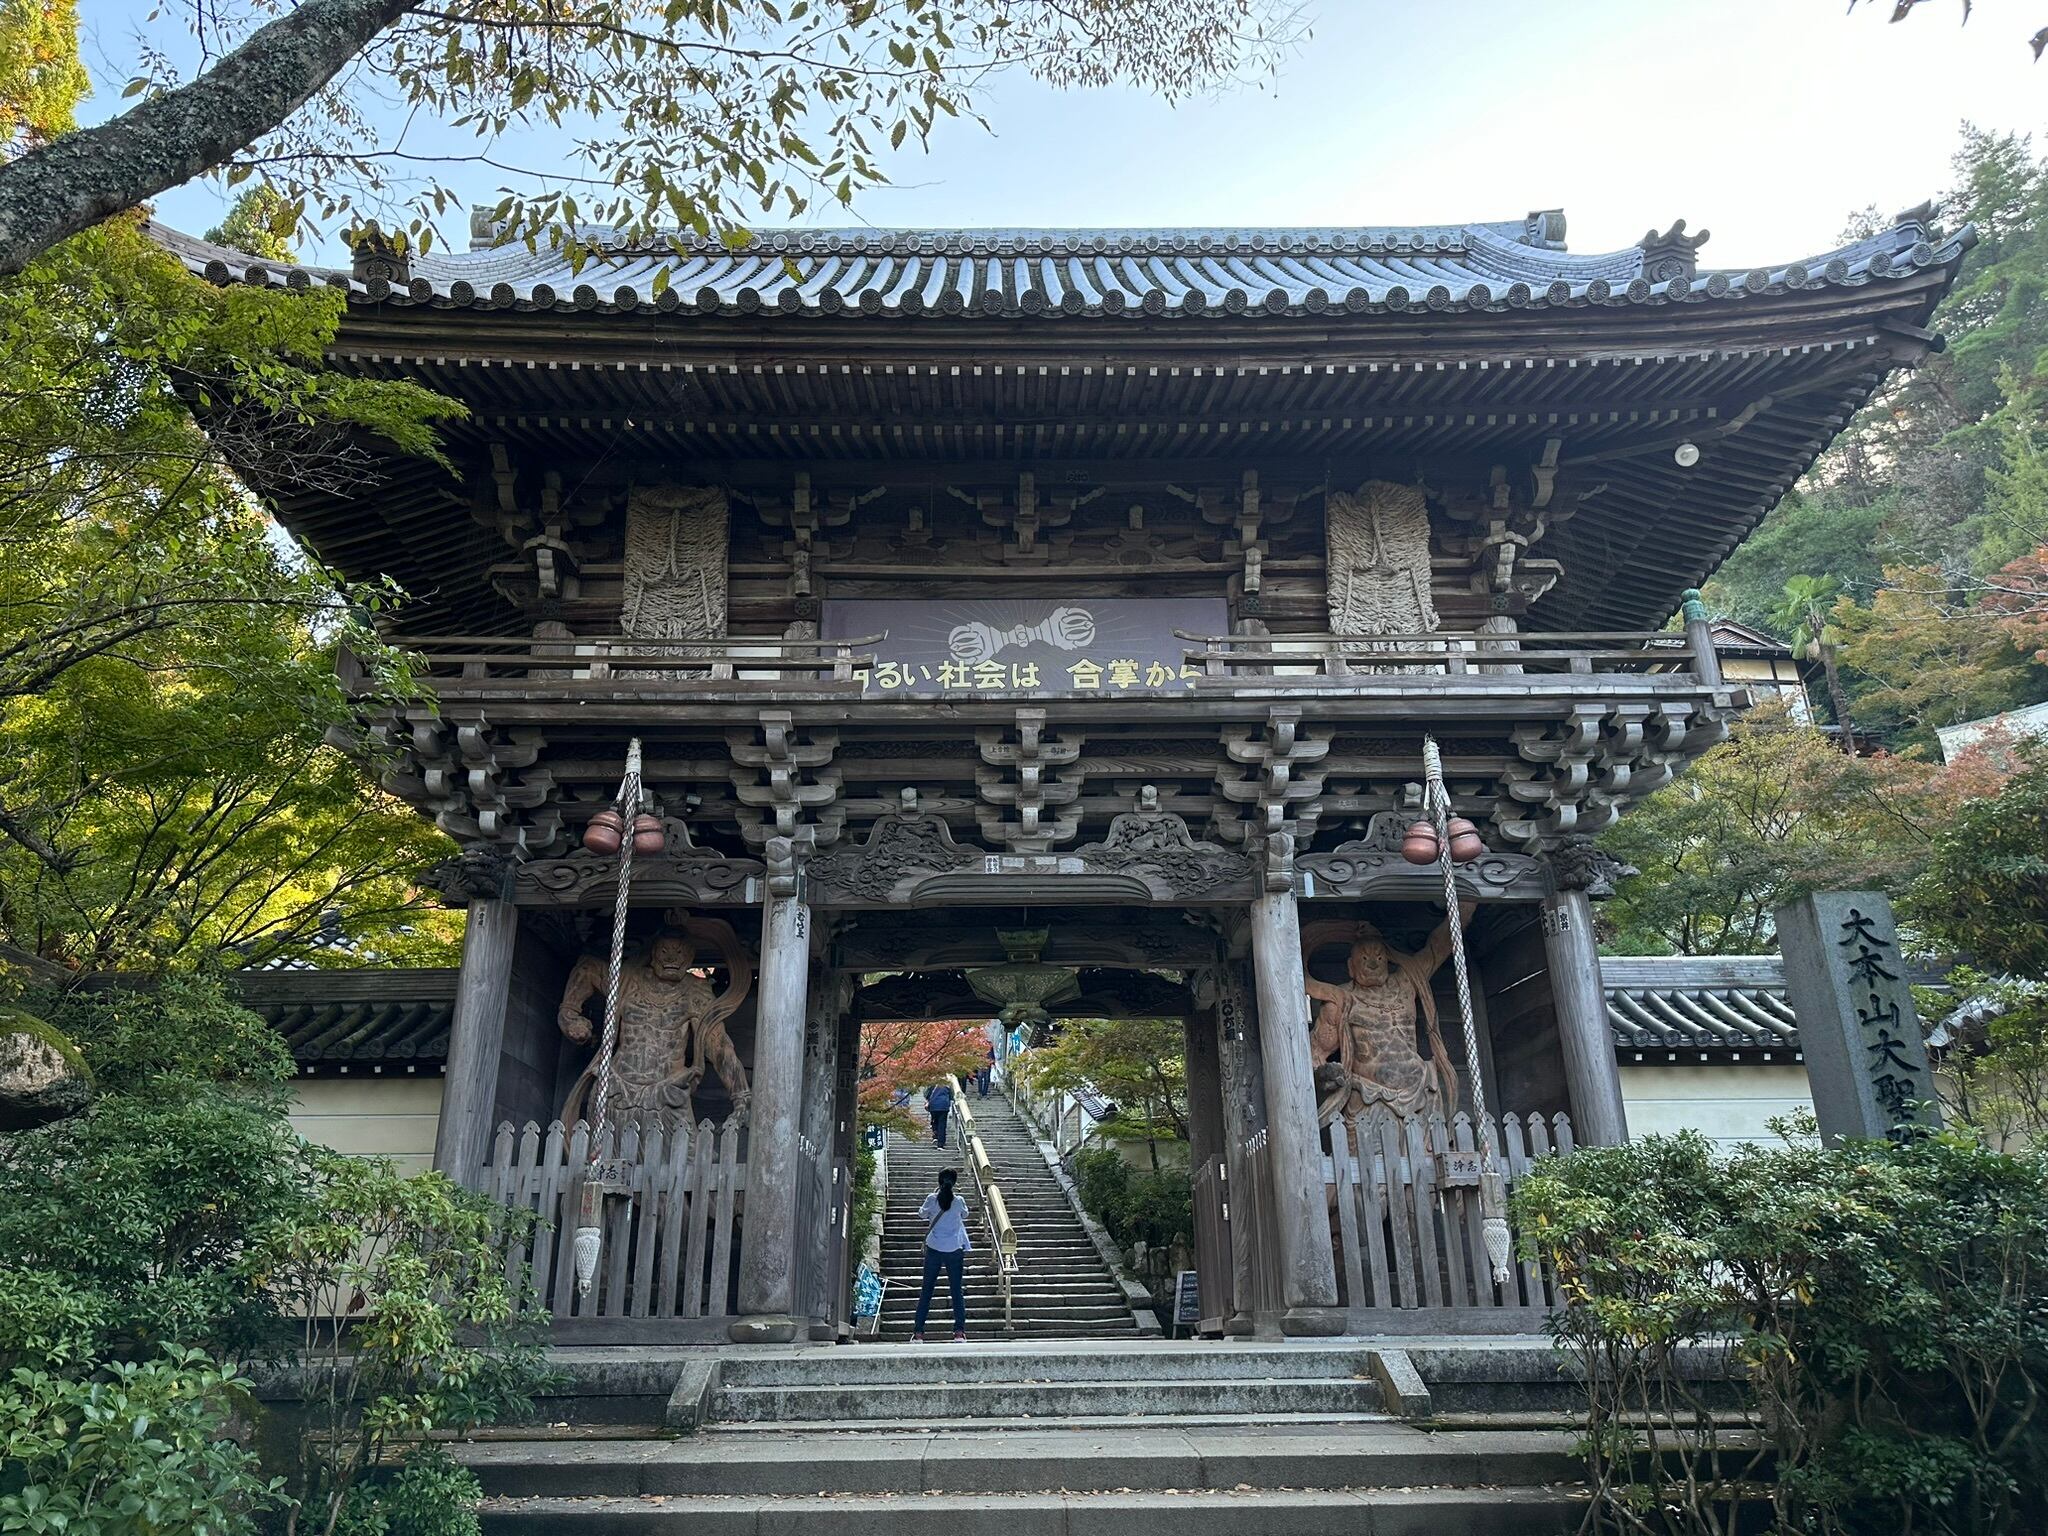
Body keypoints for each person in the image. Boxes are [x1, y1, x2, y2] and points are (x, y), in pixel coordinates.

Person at [913, 1167, 971, 1342]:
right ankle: (959, 1332)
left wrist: (934, 1198)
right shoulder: (958, 1200)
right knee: (956, 1290)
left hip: (934, 1249)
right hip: (954, 1249)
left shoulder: (931, 1199)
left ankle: (918, 1333)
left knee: (927, 1290)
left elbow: (921, 1214)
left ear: (939, 1182)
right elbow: (965, 1215)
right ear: (954, 1182)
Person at [927, 1079, 955, 1148]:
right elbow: (952, 1096)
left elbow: (927, 1094)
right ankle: (940, 1144)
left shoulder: (932, 1083)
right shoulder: (948, 1084)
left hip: (933, 1105)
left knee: (934, 1121)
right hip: (943, 1106)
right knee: (942, 1124)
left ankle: (935, 1136)